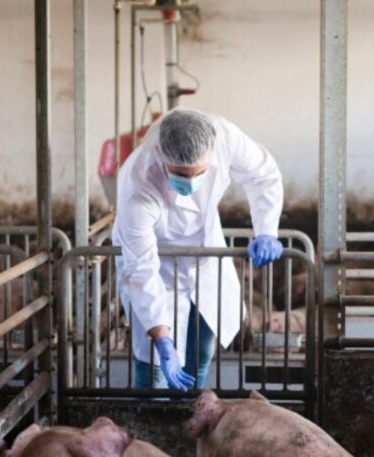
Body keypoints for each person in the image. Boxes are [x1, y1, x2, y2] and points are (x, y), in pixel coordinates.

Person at [111, 109, 284, 392]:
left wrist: (266, 230)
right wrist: (162, 338)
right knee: (153, 365)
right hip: (156, 261)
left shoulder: (225, 137)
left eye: (200, 173)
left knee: (202, 352)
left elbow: (263, 175)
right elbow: (142, 270)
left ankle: (192, 412)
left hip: (205, 254)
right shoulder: (138, 185)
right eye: (180, 175)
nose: (191, 182)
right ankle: (149, 414)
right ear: (161, 158)